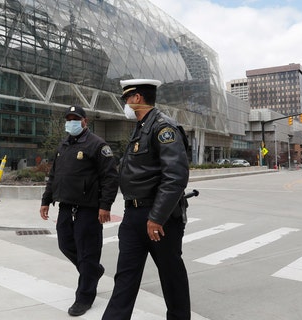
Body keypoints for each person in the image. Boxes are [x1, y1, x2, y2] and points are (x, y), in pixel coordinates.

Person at [102, 79, 191, 320]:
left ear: (137, 98)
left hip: (159, 218)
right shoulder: (141, 128)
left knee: (171, 276)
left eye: (126, 99)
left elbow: (175, 177)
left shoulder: (164, 128)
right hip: (133, 215)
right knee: (125, 277)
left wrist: (157, 217)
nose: (126, 104)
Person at [39, 105, 119, 317]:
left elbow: (110, 178)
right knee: (65, 245)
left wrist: (105, 206)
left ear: (85, 121)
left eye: (76, 118)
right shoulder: (63, 145)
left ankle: (84, 297)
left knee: (87, 252)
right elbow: (54, 175)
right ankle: (93, 270)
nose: (71, 122)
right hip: (65, 206)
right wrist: (46, 200)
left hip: (89, 209)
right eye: (69, 118)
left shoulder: (97, 145)